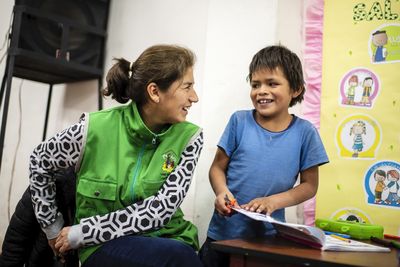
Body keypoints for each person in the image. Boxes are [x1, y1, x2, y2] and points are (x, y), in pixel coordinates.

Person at [29, 44, 204, 267]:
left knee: (182, 254)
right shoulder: (93, 130)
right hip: (103, 245)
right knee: (179, 259)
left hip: (168, 240)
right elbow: (39, 160)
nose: (194, 97)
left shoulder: (190, 138)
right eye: (187, 87)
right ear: (154, 92)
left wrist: (83, 231)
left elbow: (160, 210)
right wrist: (52, 229)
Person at [199, 45, 329, 267]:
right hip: (222, 236)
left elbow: (309, 186)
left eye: (272, 83)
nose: (261, 91)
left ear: (295, 89)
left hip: (268, 240)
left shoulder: (305, 132)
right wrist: (222, 192)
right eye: (255, 84)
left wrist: (273, 201)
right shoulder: (239, 121)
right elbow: (217, 168)